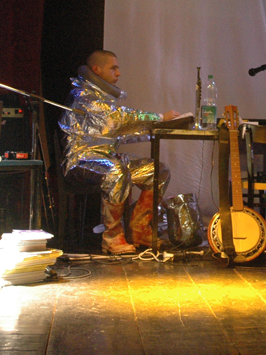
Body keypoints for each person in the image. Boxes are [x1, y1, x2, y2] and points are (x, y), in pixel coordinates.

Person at [58, 50, 179, 255]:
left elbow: (119, 132)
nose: (118, 73)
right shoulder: (84, 96)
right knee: (116, 172)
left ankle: (140, 229)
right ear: (96, 69)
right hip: (82, 160)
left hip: (107, 156)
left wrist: (156, 131)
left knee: (157, 171)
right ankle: (112, 238)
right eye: (113, 68)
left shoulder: (102, 97)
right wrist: (160, 118)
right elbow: (119, 119)